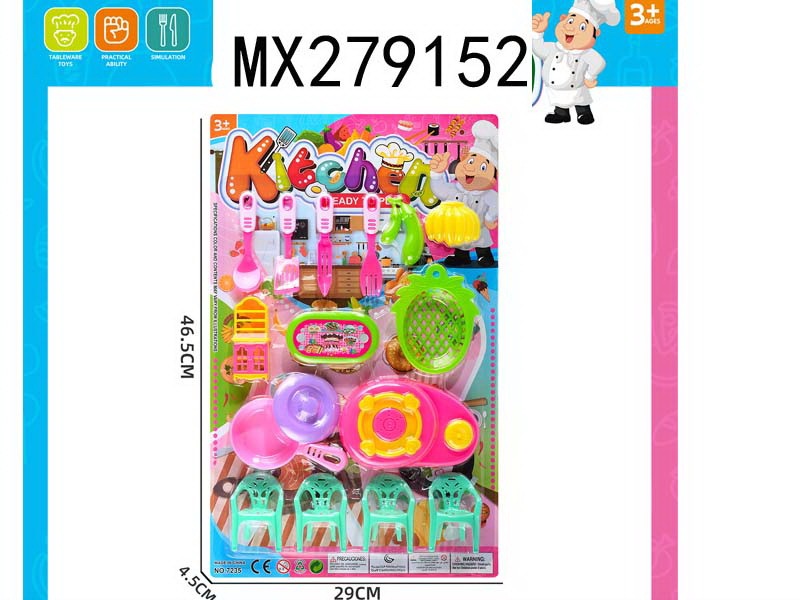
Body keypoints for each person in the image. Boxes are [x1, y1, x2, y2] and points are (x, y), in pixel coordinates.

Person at [532, 0, 620, 124]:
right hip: (555, 90)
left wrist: (589, 77)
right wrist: (538, 33)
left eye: (582, 27)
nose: (570, 27)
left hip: (576, 89)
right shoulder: (553, 48)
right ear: (563, 19)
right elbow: (538, 49)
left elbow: (599, 63)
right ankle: (561, 114)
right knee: (560, 101)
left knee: (580, 101)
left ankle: (584, 113)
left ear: (596, 34)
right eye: (570, 21)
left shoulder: (585, 53)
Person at [429, 120, 499, 267]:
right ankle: (462, 257)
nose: (471, 169)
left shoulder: (488, 195)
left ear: (494, 177)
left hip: (479, 229)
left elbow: (497, 205)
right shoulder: (454, 189)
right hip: (460, 229)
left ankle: (484, 256)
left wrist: (489, 218)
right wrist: (436, 173)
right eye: (470, 162)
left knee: (482, 243)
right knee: (461, 245)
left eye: (483, 167)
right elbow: (439, 190)